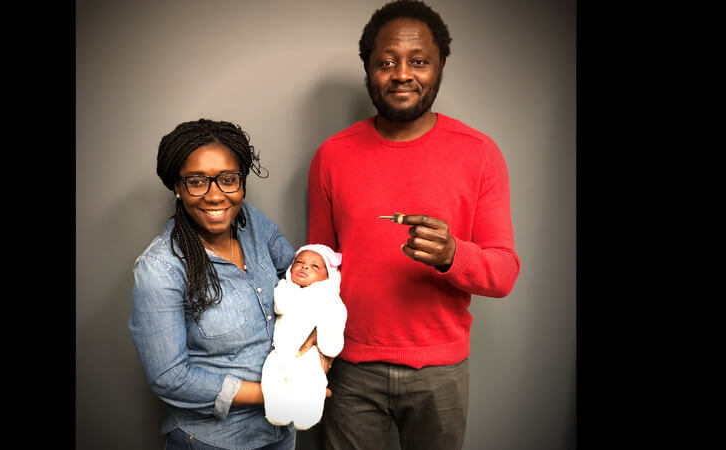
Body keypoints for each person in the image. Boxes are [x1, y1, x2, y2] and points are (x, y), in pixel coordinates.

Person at [306, 1, 521, 449]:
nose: (402, 74)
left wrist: (452, 255)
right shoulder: (332, 156)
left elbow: (503, 273)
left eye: (418, 61)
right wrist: (313, 350)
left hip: (440, 374)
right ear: (367, 69)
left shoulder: (479, 154)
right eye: (386, 62)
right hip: (349, 367)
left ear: (440, 64)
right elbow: (318, 269)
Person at [128, 119, 300, 450]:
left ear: (241, 182)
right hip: (212, 440)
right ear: (177, 187)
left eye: (228, 180)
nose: (215, 195)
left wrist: (315, 350)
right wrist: (276, 392)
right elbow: (170, 379)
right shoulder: (160, 268)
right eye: (197, 182)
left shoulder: (254, 223)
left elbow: (299, 277)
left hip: (280, 430)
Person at [261, 244, 346, 431]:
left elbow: (336, 320)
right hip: (279, 352)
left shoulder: (328, 297)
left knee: (310, 382)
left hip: (308, 356)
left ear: (328, 276)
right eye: (299, 263)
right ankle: (277, 413)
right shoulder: (284, 289)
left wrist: (329, 345)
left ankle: (307, 415)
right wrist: (288, 287)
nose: (305, 267)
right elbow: (279, 306)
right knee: (271, 377)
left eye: (315, 266)